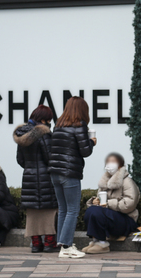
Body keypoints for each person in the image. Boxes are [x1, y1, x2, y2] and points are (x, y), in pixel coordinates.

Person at [48, 96, 96, 258]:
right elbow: (85, 151)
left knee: (63, 209)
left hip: (54, 172)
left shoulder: (58, 126)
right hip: (70, 173)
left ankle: (63, 243)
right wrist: (92, 142)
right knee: (73, 210)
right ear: (82, 110)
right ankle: (67, 246)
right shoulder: (80, 126)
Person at [13, 105, 59, 253]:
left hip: (29, 179)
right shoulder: (43, 134)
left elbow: (20, 160)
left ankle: (36, 243)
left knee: (32, 213)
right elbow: (49, 157)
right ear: (44, 119)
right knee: (49, 211)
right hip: (45, 178)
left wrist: (30, 168)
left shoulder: (22, 134)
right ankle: (49, 243)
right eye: (49, 119)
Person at [82, 153, 140, 254]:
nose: (109, 164)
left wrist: (108, 204)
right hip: (111, 217)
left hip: (126, 220)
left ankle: (102, 244)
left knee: (97, 212)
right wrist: (94, 202)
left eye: (113, 162)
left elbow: (130, 204)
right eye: (108, 162)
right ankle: (96, 241)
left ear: (120, 165)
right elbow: (100, 203)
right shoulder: (104, 183)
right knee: (91, 210)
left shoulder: (127, 182)